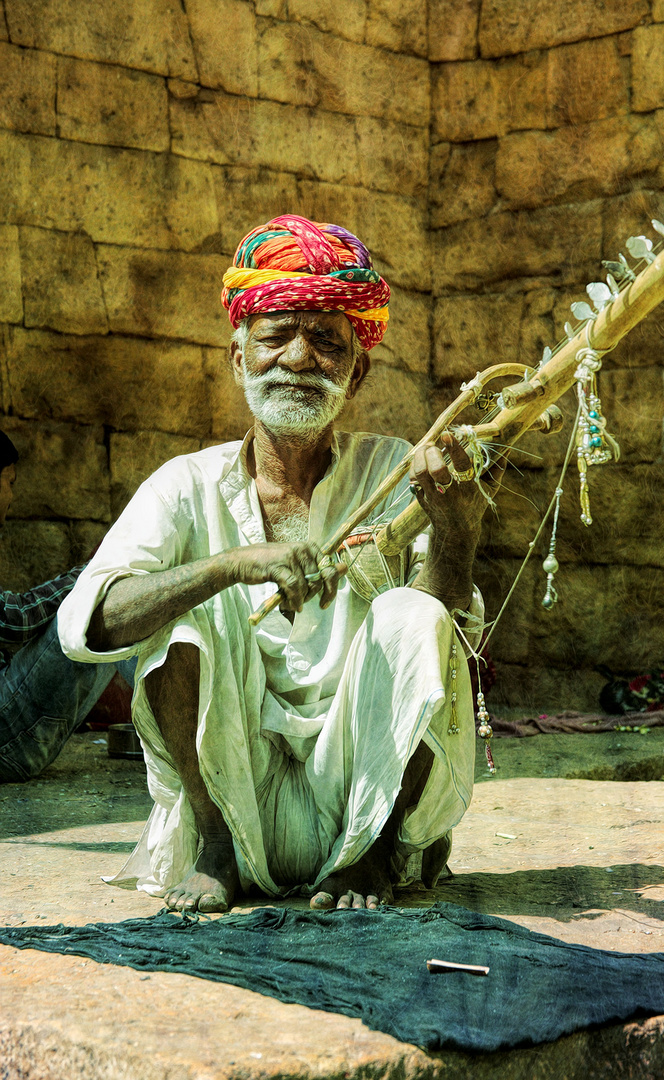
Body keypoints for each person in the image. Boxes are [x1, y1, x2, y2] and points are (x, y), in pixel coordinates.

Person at [58, 214, 502, 913]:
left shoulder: (395, 470)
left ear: (356, 373)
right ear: (239, 361)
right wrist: (230, 565)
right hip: (235, 794)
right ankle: (216, 848)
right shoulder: (185, 483)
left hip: (362, 789)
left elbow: (442, 637)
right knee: (180, 611)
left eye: (326, 340)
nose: (298, 357)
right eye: (274, 336)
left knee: (413, 609)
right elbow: (90, 624)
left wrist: (457, 529)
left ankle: (377, 857)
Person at [0, 431, 135, 782]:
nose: (11, 497)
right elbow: (17, 619)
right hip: (5, 733)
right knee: (105, 598)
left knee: (113, 596)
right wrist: (91, 574)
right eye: (9, 482)